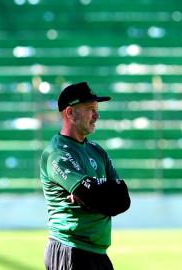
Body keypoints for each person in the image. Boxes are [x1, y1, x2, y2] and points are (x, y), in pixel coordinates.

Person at [40, 82, 131, 270]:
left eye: (96, 109)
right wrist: (96, 193)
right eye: (90, 109)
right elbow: (91, 195)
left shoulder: (97, 151)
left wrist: (89, 195)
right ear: (70, 113)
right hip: (70, 251)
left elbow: (123, 199)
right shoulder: (57, 154)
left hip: (98, 253)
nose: (96, 115)